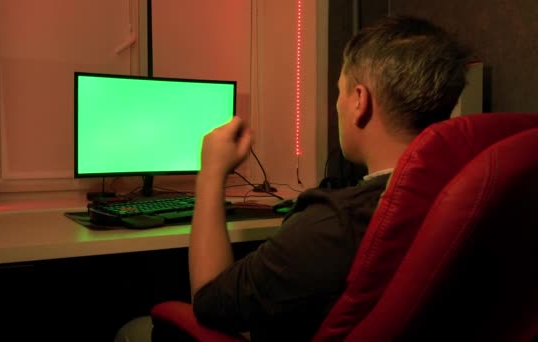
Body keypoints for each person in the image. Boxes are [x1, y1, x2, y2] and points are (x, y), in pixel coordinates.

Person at [116, 15, 471, 341]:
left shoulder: (332, 225)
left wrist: (211, 172)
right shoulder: (465, 195)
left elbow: (209, 304)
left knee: (134, 330)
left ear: (360, 101)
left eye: (340, 91)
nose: (337, 105)